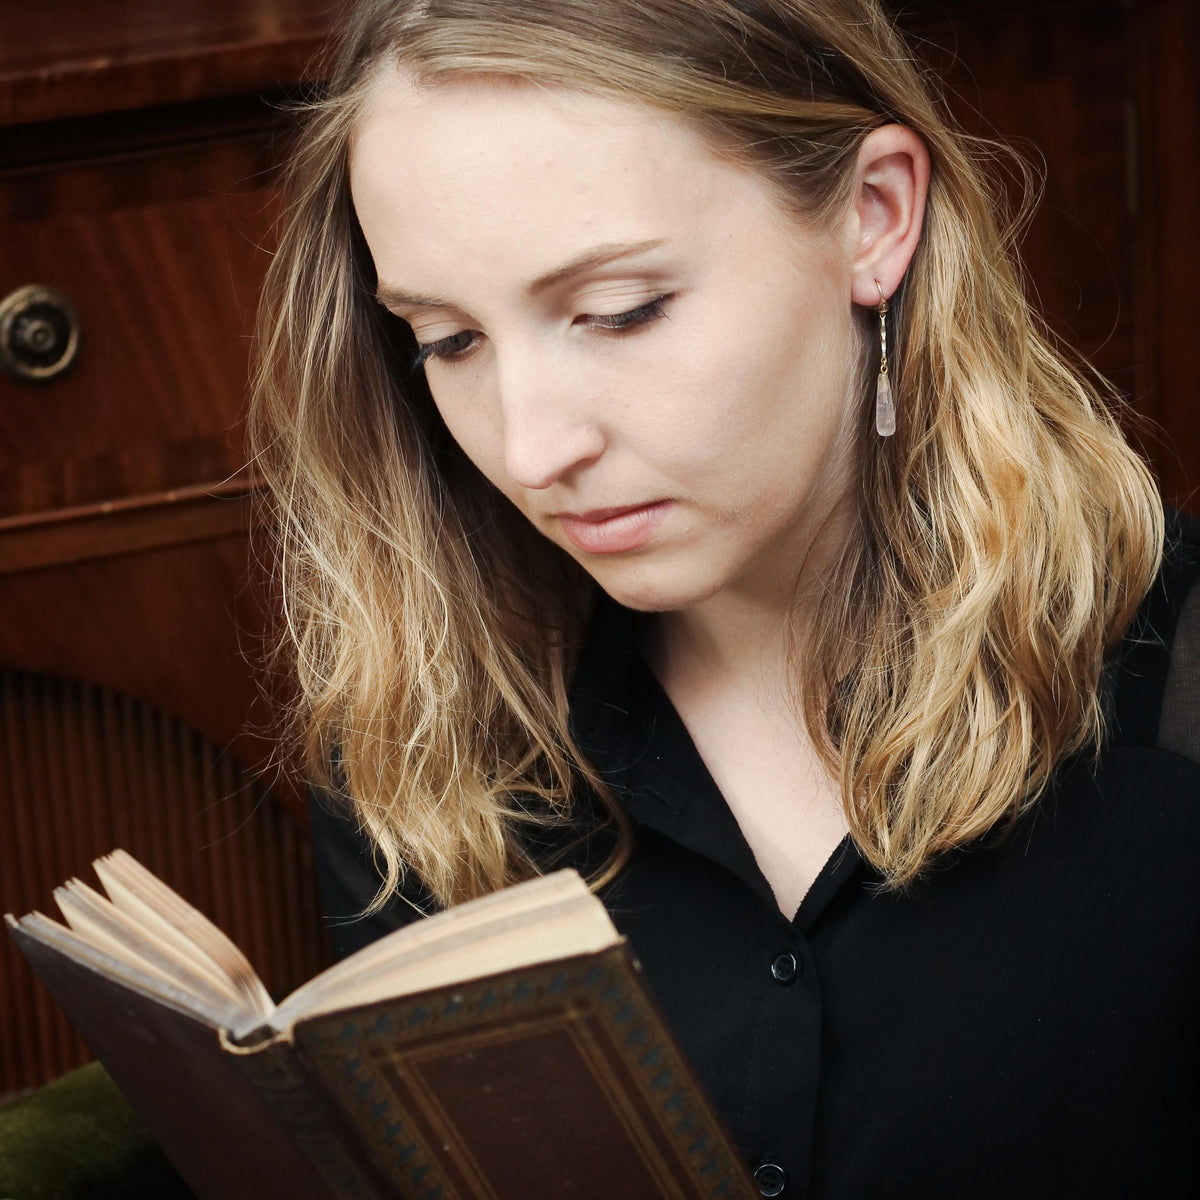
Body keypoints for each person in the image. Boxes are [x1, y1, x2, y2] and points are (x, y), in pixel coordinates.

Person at [250, 0, 1200, 1194]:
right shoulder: (420, 740)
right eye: (448, 341)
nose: (532, 448)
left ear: (875, 216)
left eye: (620, 313)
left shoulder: (1179, 699)